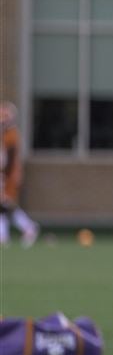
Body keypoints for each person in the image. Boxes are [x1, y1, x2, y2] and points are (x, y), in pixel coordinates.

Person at [0, 101, 40, 248]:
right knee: (4, 205)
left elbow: (9, 159)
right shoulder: (5, 134)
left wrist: (5, 174)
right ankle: (4, 235)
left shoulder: (11, 134)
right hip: (7, 173)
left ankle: (28, 227)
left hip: (10, 174)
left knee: (5, 203)